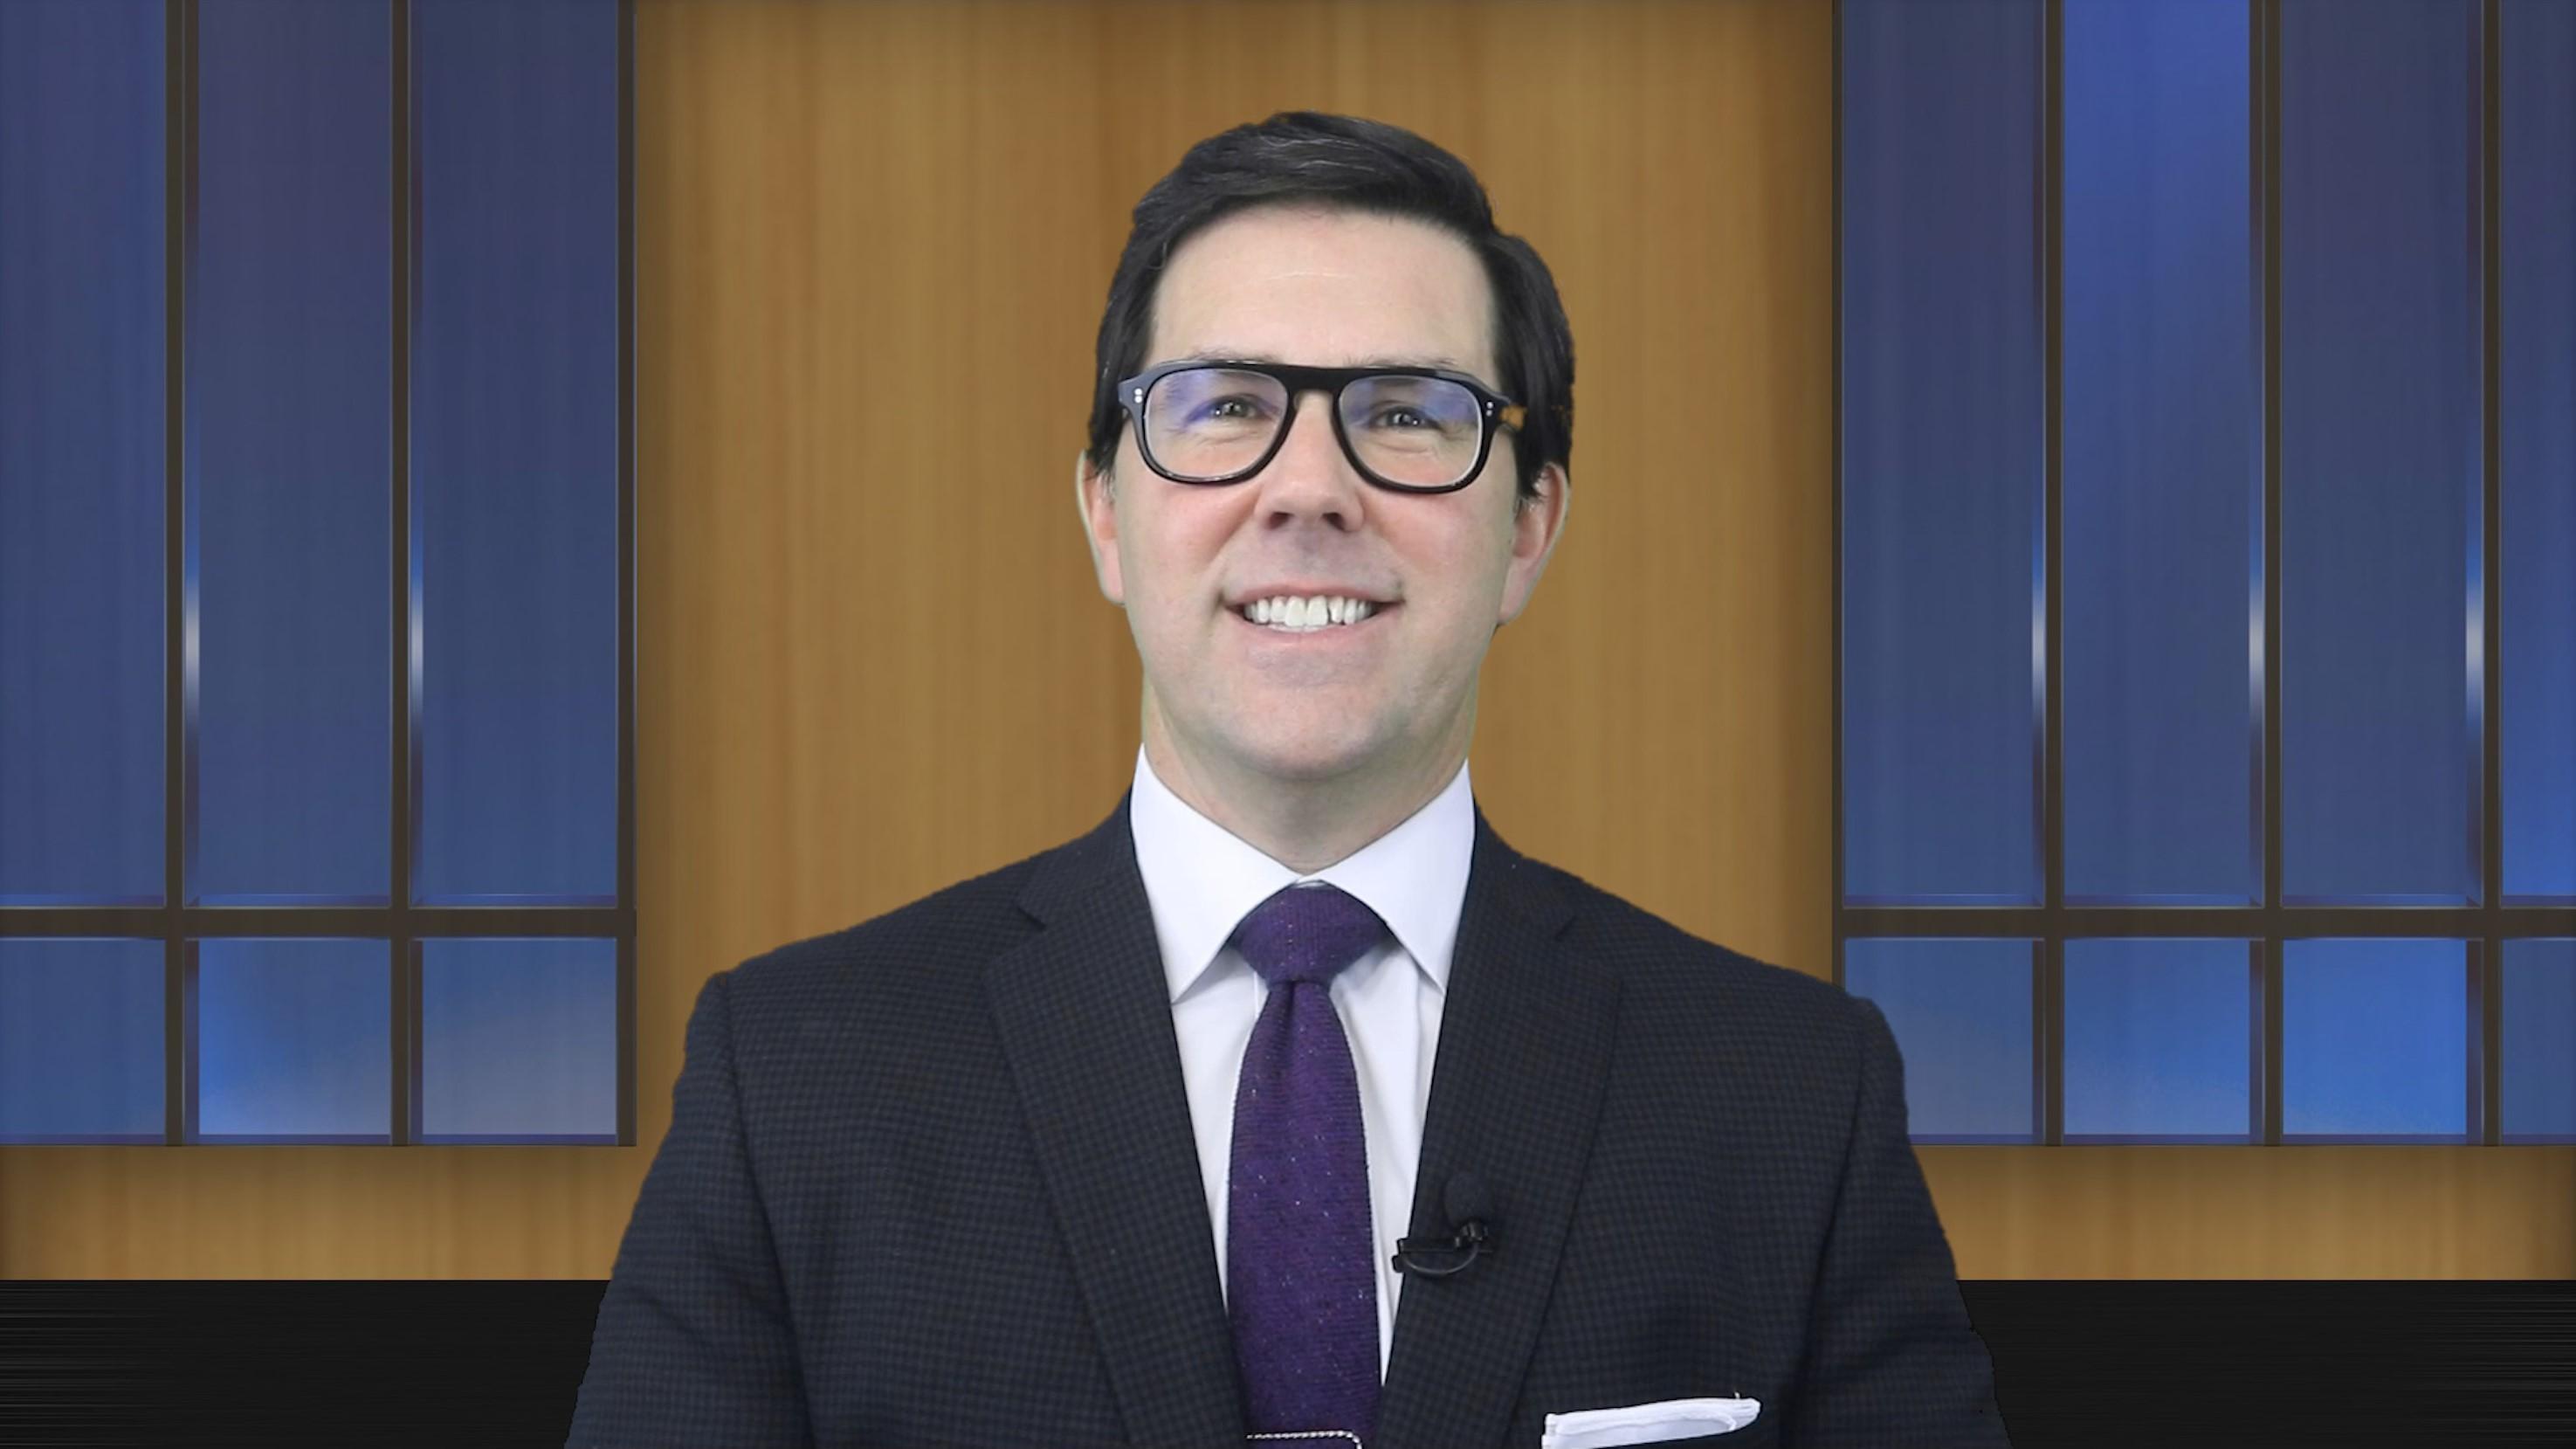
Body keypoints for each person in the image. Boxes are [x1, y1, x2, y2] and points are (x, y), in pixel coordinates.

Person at [568, 112, 2009, 1449]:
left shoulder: (1791, 1094)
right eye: (1222, 405)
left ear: (1528, 526)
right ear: (1106, 515)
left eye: (1406, 413)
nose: (1308, 488)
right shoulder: (796, 1076)